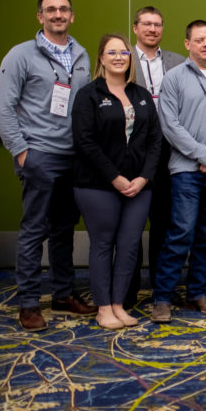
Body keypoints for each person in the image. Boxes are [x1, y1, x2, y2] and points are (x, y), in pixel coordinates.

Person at [0, 0, 96, 331]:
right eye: (50, 9)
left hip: (73, 158)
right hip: (38, 155)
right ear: (40, 17)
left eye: (64, 9)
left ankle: (63, 293)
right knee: (35, 229)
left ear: (72, 16)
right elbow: (2, 107)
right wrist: (22, 152)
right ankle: (28, 302)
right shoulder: (21, 55)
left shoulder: (80, 55)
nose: (57, 14)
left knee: (64, 229)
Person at [151, 20, 206, 323]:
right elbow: (170, 125)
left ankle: (198, 294)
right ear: (187, 44)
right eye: (199, 40)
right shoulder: (174, 78)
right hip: (186, 169)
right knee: (181, 233)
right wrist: (203, 155)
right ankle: (162, 298)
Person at [72, 33, 162, 329]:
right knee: (102, 244)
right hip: (97, 185)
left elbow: (154, 140)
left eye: (123, 53)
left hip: (139, 185)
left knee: (129, 245)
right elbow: (85, 142)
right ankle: (103, 308)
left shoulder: (141, 94)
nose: (119, 57)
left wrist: (144, 176)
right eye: (112, 53)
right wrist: (115, 177)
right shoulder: (89, 94)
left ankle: (119, 305)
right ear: (101, 58)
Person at [128, 6, 185, 306]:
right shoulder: (123, 58)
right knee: (132, 224)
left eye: (158, 24)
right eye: (146, 24)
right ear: (135, 27)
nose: (152, 29)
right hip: (133, 151)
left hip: (168, 150)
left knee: (164, 223)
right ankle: (129, 288)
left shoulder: (177, 61)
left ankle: (163, 288)